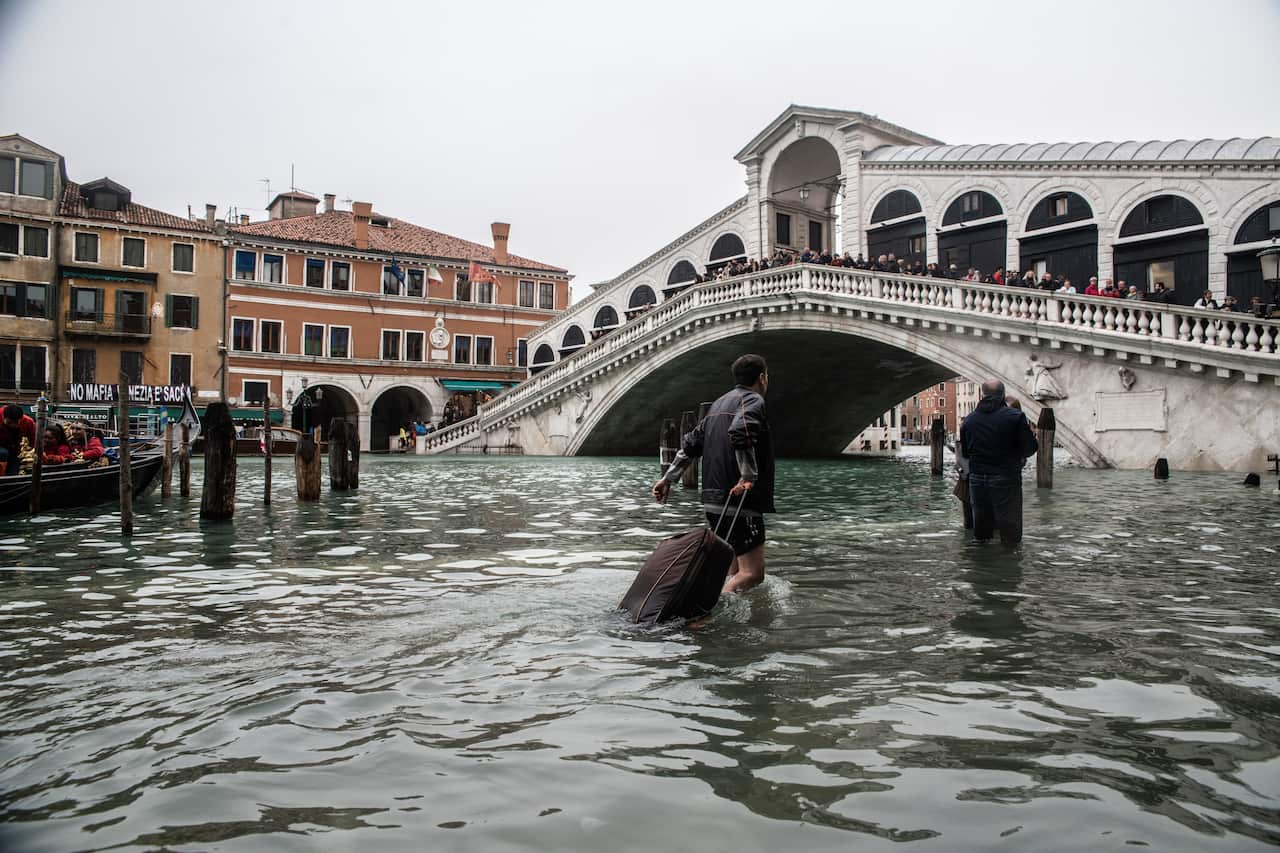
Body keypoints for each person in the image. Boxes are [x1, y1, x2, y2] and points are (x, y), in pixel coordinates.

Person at [652, 354, 774, 594]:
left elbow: (690, 445)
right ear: (762, 378)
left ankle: (730, 620)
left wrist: (668, 479)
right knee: (752, 574)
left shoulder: (718, 404)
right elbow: (741, 430)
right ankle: (709, 612)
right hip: (740, 498)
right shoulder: (753, 401)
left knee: (734, 570)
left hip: (712, 500)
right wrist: (747, 476)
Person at [959, 380, 1038, 544]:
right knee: (1010, 531)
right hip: (1006, 477)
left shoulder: (969, 420)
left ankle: (982, 564)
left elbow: (966, 453)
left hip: (978, 480)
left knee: (981, 532)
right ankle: (1009, 563)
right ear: (1002, 395)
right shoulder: (1015, 417)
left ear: (982, 394)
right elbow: (1030, 449)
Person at [0, 404, 37, 475]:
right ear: (3, 417)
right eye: (9, 422)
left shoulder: (28, 422)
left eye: (16, 423)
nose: (13, 425)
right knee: (3, 453)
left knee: (13, 473)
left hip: (15, 450)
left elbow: (34, 441)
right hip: (2, 447)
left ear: (21, 418)